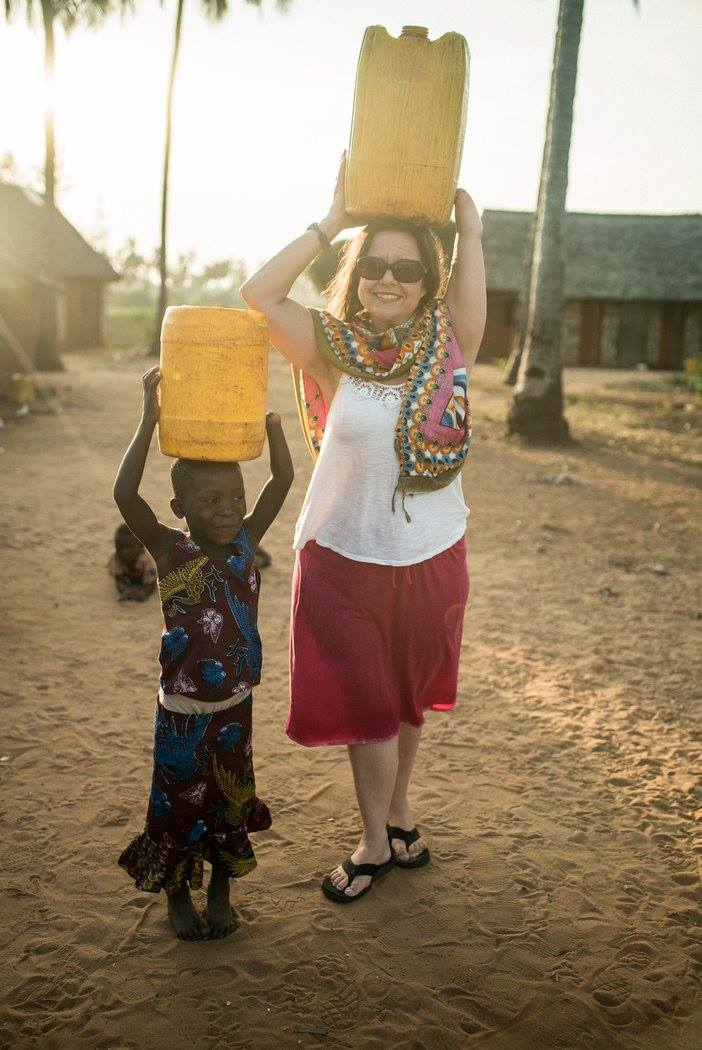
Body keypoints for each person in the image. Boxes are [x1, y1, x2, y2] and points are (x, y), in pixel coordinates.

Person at [241, 157, 486, 902]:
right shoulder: (328, 349)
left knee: (407, 699)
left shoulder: (451, 351)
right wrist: (333, 220)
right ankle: (376, 840)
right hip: (343, 554)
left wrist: (467, 224)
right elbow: (258, 294)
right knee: (368, 704)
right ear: (356, 269)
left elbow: (468, 261)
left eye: (407, 271)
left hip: (432, 552)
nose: (388, 279)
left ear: (428, 283)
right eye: (374, 264)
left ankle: (398, 812)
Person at [113, 366, 293, 939]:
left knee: (228, 801)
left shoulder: (246, 542)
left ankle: (220, 886)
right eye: (210, 499)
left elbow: (282, 480)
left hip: (236, 706)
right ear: (180, 506)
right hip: (184, 713)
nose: (228, 509)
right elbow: (124, 494)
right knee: (177, 808)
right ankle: (176, 895)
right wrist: (149, 419)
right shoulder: (169, 551)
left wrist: (272, 429)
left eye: (234, 497)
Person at [107, 523, 158, 601]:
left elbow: (152, 583)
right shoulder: (115, 556)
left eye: (129, 547)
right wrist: (125, 591)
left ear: (141, 547)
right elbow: (119, 579)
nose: (124, 552)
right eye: (119, 546)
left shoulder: (148, 560)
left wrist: (144, 593)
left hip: (150, 576)